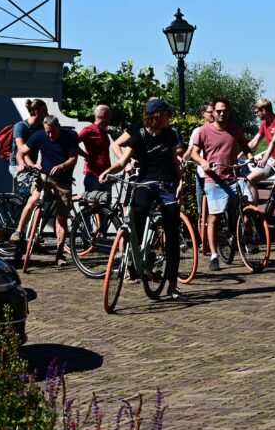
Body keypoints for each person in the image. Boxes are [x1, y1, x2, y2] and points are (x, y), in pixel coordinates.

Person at [100, 99, 186, 300]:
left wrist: (181, 183)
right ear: (157, 116)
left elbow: (175, 163)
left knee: (172, 233)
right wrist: (107, 172)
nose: (170, 117)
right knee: (136, 214)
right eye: (167, 114)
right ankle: (133, 255)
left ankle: (172, 284)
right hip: (144, 183)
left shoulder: (170, 135)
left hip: (166, 185)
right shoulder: (139, 135)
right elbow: (122, 162)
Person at [191, 99, 255, 271]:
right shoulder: (203, 131)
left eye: (224, 111)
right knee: (215, 217)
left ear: (229, 112)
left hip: (234, 177)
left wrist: (250, 158)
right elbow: (194, 153)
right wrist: (203, 162)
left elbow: (245, 146)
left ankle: (247, 238)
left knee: (248, 206)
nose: (221, 114)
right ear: (213, 113)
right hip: (215, 180)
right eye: (218, 111)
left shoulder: (235, 129)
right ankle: (213, 255)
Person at [17, 116, 80, 266]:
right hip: (44, 175)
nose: (50, 135)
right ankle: (18, 231)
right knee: (34, 198)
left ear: (59, 126)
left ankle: (59, 254)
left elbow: (74, 158)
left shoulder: (70, 136)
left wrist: (61, 166)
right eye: (47, 132)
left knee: (61, 218)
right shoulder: (39, 135)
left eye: (53, 131)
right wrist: (27, 164)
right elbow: (22, 153)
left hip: (63, 180)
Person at [246, 99, 275, 202]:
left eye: (257, 112)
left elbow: (274, 141)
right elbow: (254, 142)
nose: (256, 115)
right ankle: (254, 211)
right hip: (271, 159)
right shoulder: (264, 123)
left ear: (263, 110)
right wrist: (239, 154)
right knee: (249, 180)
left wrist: (264, 159)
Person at [7, 98, 47, 197]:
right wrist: (32, 165)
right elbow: (21, 150)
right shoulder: (20, 127)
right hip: (18, 165)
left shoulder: (41, 128)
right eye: (44, 111)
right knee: (24, 196)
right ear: (37, 112)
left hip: (32, 166)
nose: (47, 114)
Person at [183, 102, 215, 220]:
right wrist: (182, 160)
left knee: (217, 208)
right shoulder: (197, 131)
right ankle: (202, 233)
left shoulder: (218, 130)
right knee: (201, 209)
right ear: (203, 114)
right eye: (210, 112)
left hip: (215, 174)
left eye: (214, 111)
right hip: (201, 175)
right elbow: (190, 150)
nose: (213, 114)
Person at [78, 104, 115, 193]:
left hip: (105, 175)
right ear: (103, 116)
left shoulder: (103, 130)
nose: (110, 118)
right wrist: (85, 155)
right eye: (109, 115)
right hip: (93, 175)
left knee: (105, 204)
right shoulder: (88, 129)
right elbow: (72, 144)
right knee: (92, 204)